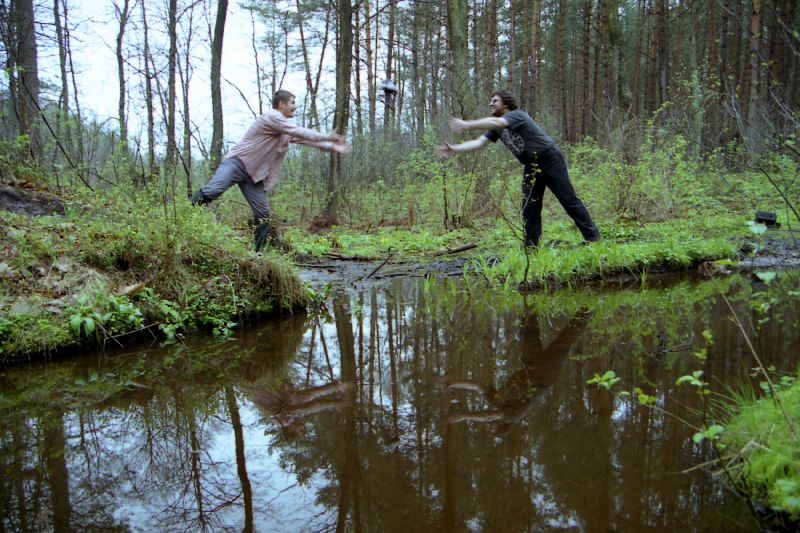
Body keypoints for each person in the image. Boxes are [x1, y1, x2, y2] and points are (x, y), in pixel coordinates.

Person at [192, 90, 352, 251]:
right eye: (292, 103)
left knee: (263, 213)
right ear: (281, 104)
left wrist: (332, 147)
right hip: (237, 163)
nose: (295, 107)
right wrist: (327, 136)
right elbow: (299, 131)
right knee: (214, 190)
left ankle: (259, 253)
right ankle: (184, 215)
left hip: (253, 175)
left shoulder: (284, 129)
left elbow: (304, 139)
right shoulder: (271, 117)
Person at [435, 90, 599, 248]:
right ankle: (531, 247)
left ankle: (593, 238)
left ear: (506, 104)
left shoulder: (517, 115)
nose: (490, 104)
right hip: (531, 166)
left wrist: (467, 124)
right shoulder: (496, 127)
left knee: (568, 200)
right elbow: (479, 143)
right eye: (491, 101)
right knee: (529, 207)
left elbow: (497, 122)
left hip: (550, 159)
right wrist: (455, 149)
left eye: (495, 101)